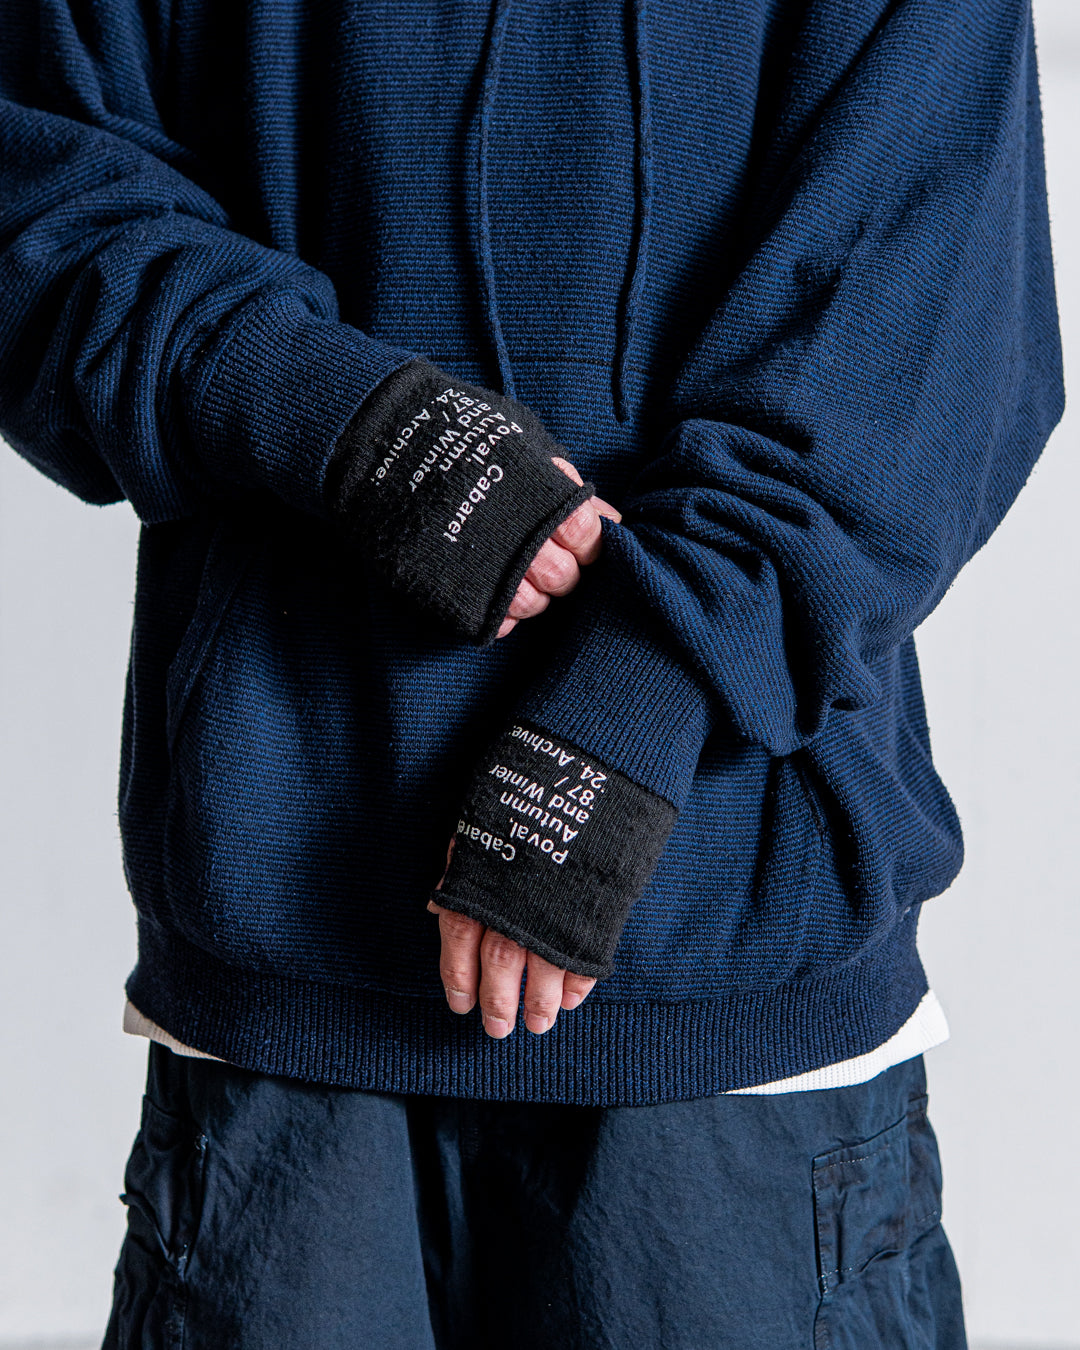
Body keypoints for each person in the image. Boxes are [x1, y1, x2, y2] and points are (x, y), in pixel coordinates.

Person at [0, 0, 1063, 1345]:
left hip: (724, 998)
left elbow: (926, 325)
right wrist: (349, 425)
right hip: (286, 991)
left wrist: (634, 708)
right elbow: (42, 197)